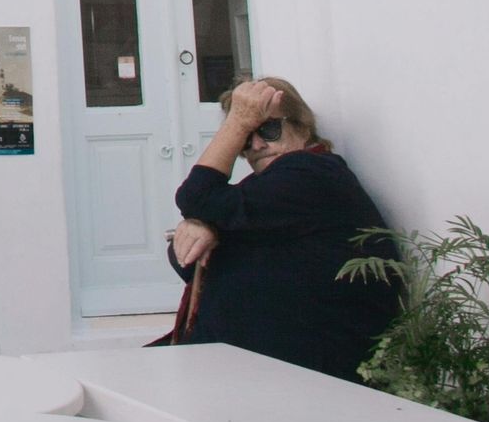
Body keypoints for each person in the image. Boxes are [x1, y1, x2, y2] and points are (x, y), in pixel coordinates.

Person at [166, 77, 398, 381]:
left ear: (302, 127)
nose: (257, 145)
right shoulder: (273, 185)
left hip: (307, 376)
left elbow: (196, 196)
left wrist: (238, 122)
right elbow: (186, 258)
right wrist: (203, 223)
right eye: (246, 138)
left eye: (269, 129)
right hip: (249, 368)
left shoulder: (312, 173)